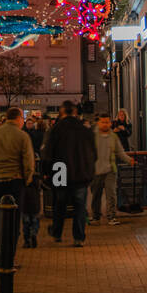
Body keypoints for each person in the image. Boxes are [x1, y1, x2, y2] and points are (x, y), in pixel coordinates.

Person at [0, 107, 34, 265]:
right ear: (18, 119)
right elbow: (28, 162)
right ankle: (8, 256)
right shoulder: (22, 136)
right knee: (12, 220)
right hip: (14, 181)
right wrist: (27, 179)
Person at [41, 101, 96, 247]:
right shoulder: (85, 130)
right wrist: (90, 171)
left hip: (60, 171)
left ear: (62, 112)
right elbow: (93, 153)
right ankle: (78, 237)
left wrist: (46, 172)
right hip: (80, 172)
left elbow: (47, 153)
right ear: (76, 112)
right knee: (79, 206)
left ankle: (57, 233)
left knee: (59, 205)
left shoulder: (56, 130)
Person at [91, 114, 134, 225]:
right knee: (96, 194)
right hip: (96, 170)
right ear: (98, 123)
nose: (105, 124)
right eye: (103, 122)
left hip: (111, 170)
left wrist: (129, 160)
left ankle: (111, 217)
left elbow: (120, 152)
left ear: (110, 123)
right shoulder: (92, 136)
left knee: (111, 194)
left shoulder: (113, 136)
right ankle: (96, 217)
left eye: (107, 122)